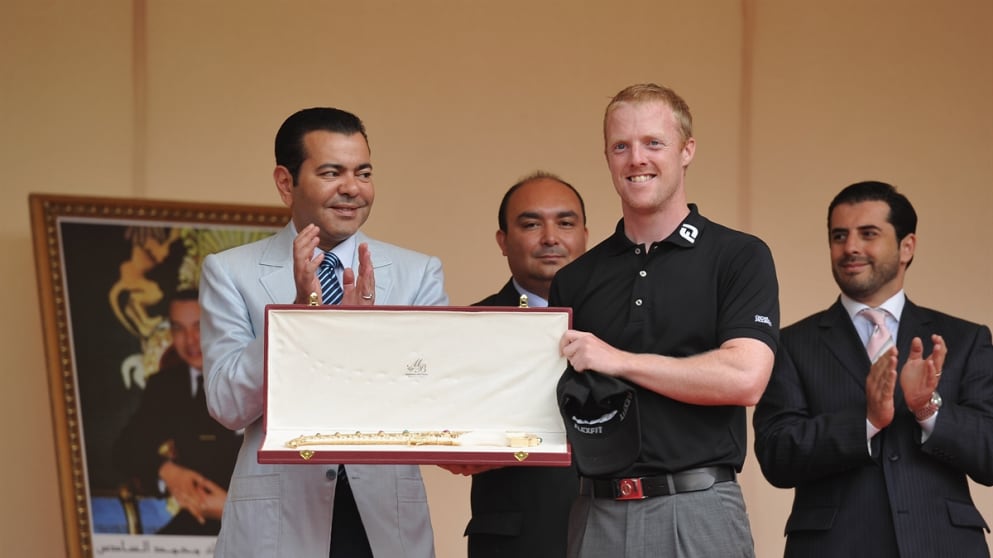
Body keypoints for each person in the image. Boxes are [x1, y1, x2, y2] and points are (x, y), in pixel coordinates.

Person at [199, 107, 447, 557]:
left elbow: (434, 397)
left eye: (363, 172)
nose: (352, 188)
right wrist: (297, 319)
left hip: (384, 522)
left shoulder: (418, 273)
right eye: (332, 172)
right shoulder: (230, 272)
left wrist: (362, 339)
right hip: (278, 524)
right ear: (285, 182)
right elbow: (227, 404)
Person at [550, 83, 780, 558]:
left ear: (686, 150)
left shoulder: (739, 257)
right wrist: (475, 450)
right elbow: (552, 404)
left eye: (653, 143)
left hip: (697, 509)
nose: (637, 159)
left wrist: (620, 361)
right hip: (598, 514)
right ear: (608, 157)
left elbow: (745, 377)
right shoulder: (576, 279)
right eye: (621, 146)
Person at [753, 181, 993, 557]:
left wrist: (928, 408)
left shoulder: (965, 339)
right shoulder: (790, 345)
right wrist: (865, 420)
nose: (850, 247)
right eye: (839, 236)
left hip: (943, 546)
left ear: (907, 246)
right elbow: (776, 456)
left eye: (868, 234)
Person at [451, 171, 588, 557]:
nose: (550, 238)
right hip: (513, 541)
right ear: (503, 240)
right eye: (531, 224)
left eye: (565, 223)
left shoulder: (621, 320)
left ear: (585, 236)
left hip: (614, 533)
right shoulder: (470, 326)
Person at [113, 289, 241, 535]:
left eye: (199, 326)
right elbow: (125, 449)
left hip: (257, 520)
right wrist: (168, 472)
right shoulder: (166, 386)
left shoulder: (250, 372)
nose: (190, 340)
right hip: (198, 519)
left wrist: (232, 509)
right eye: (178, 329)